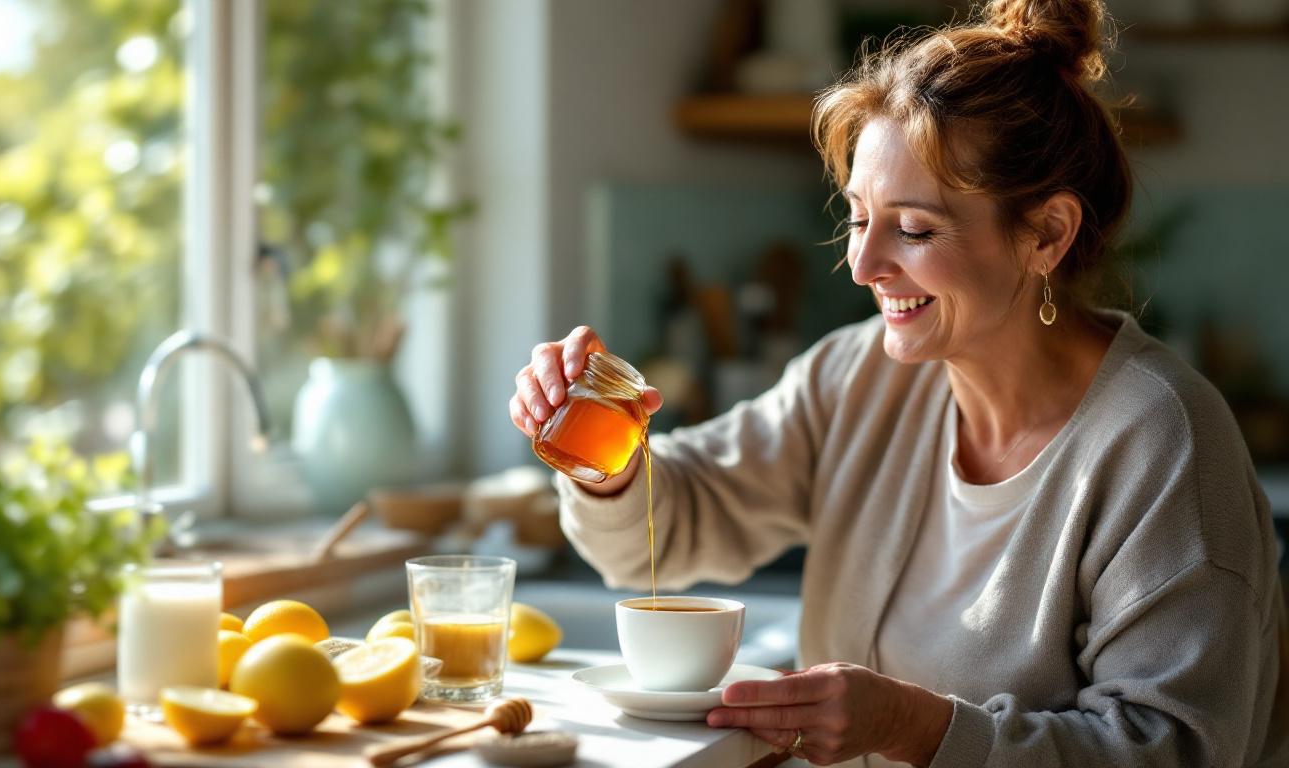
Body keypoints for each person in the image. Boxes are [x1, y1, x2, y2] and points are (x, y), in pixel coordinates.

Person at [508, 0, 1288, 765]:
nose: (862, 265)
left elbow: (1174, 746)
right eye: (857, 217)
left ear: (1047, 234)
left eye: (914, 230)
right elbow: (680, 516)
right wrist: (600, 451)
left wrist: (915, 727)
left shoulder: (1163, 442)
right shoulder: (856, 375)